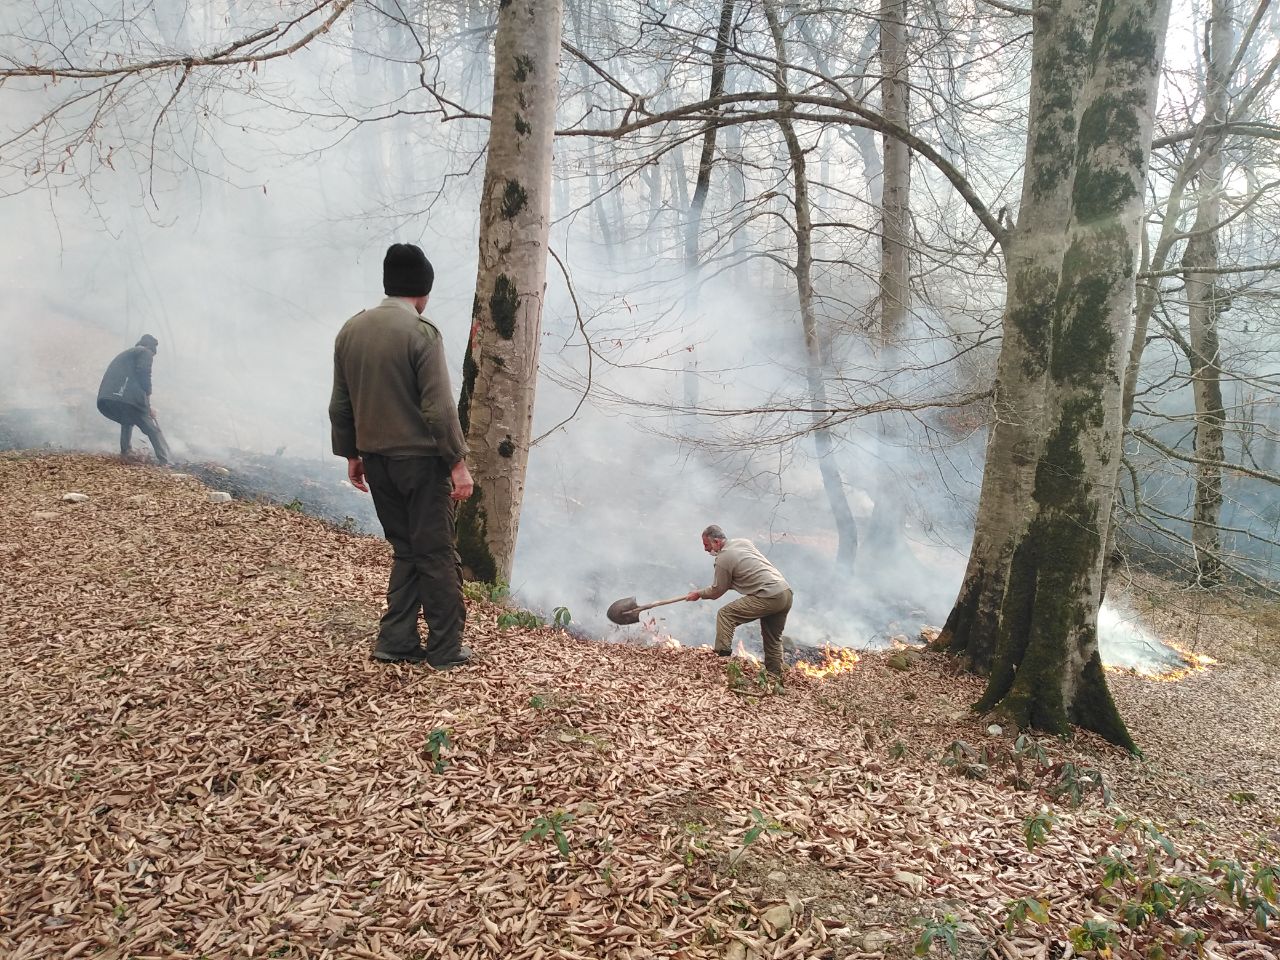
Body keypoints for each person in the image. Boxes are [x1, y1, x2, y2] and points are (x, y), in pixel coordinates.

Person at [329, 243, 475, 669]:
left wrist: (352, 453)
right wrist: (457, 463)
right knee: (436, 554)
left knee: (406, 550)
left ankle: (395, 640)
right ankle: (446, 650)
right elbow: (439, 408)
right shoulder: (421, 333)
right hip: (420, 465)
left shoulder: (351, 330)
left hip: (377, 461)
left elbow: (341, 403)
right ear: (422, 290)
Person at [686, 525, 794, 679]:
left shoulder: (723, 559)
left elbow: (717, 591)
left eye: (706, 545)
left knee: (725, 615)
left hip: (769, 594)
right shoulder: (743, 542)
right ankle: (774, 676)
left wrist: (699, 594)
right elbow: (746, 569)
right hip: (785, 592)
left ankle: (721, 662)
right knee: (773, 637)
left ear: (716, 542)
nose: (705, 549)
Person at [96, 334, 172, 465]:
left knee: (127, 419)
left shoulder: (129, 354)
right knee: (152, 429)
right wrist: (147, 401)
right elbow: (143, 373)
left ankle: (125, 452)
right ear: (151, 349)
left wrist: (147, 405)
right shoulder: (145, 352)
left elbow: (133, 377)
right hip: (128, 396)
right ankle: (166, 459)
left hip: (113, 395)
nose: (151, 358)